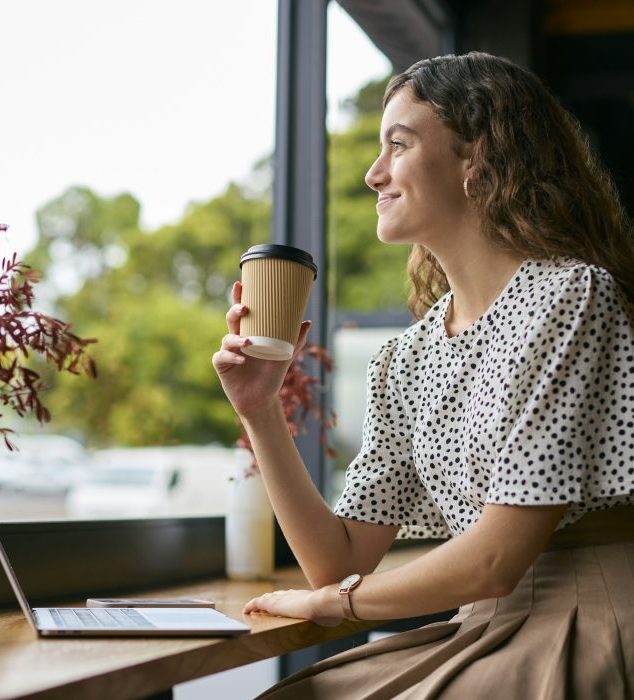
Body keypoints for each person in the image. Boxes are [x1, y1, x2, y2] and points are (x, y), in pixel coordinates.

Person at [212, 51, 634, 699]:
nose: (373, 172)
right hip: (484, 626)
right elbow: (340, 561)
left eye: (398, 145)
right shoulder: (405, 357)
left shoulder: (570, 296)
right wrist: (261, 410)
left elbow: (494, 560)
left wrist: (335, 605)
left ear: (479, 157)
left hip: (592, 614)